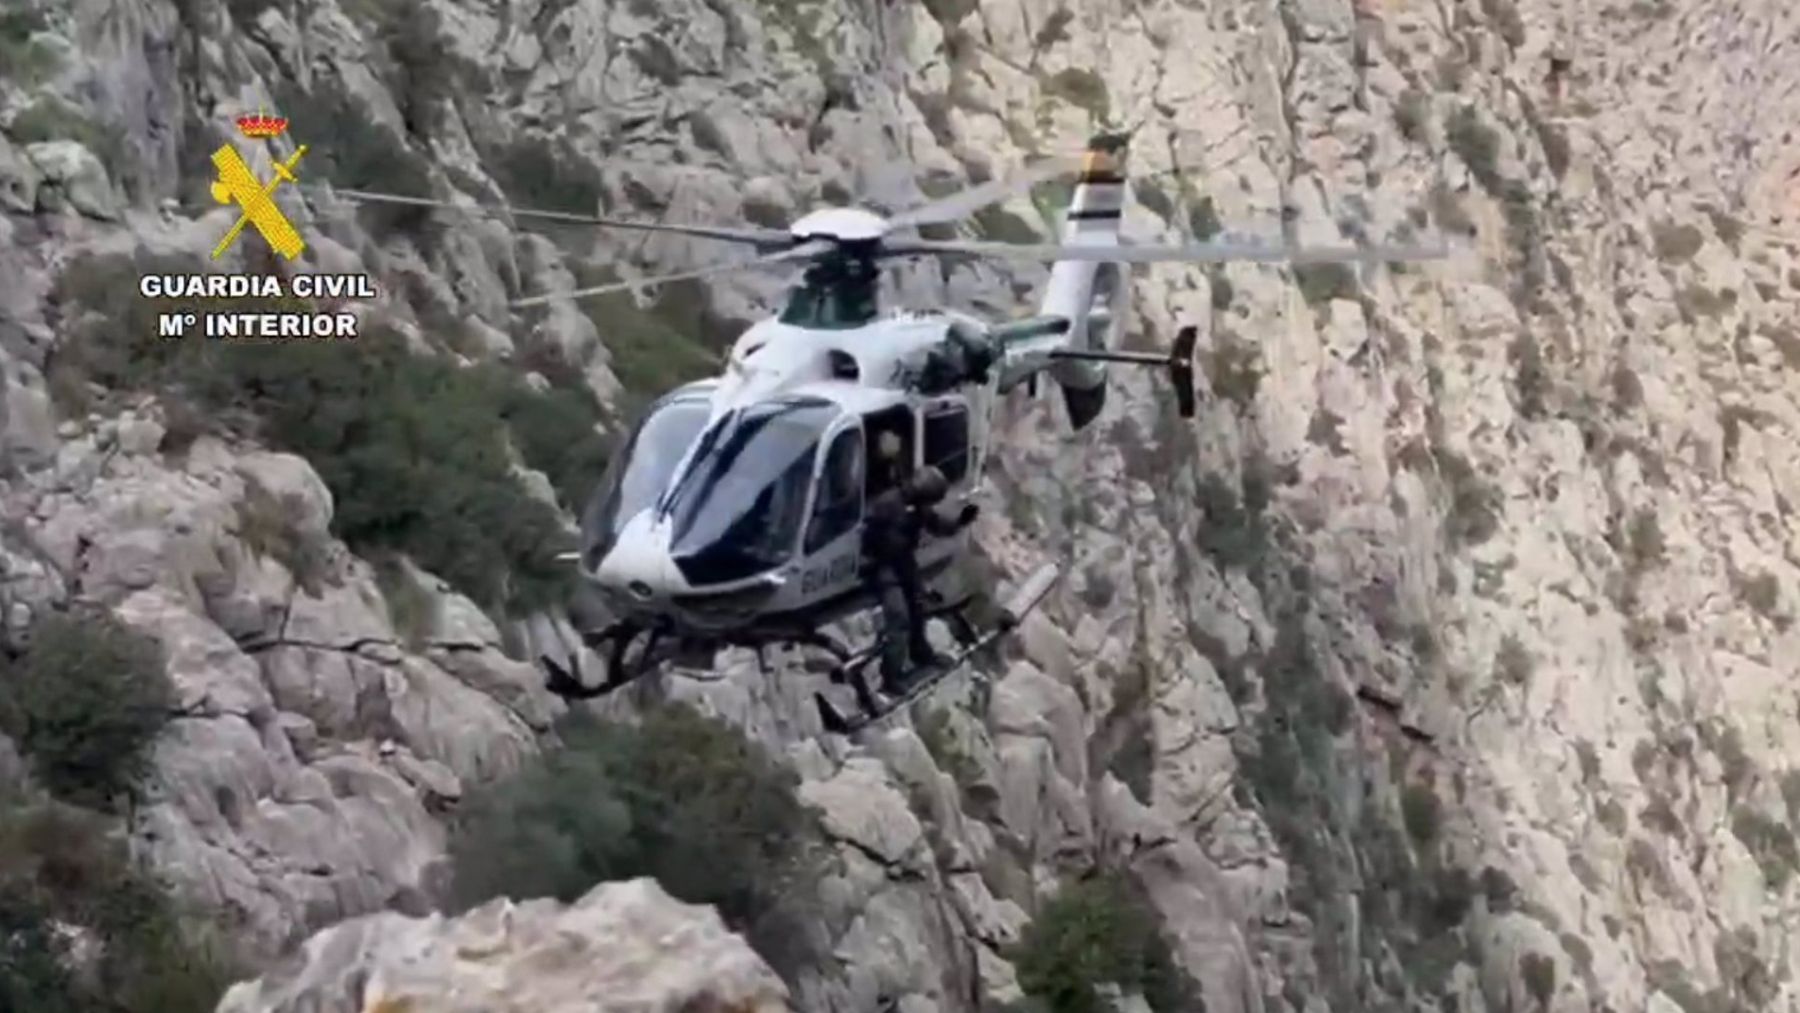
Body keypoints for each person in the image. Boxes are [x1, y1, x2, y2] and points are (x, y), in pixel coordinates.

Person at [863, 431, 979, 694]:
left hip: (904, 565)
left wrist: (961, 521)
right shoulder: (887, 504)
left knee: (918, 610)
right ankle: (891, 677)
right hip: (886, 570)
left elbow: (938, 526)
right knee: (899, 620)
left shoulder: (916, 507)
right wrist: (871, 561)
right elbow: (867, 535)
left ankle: (920, 653)